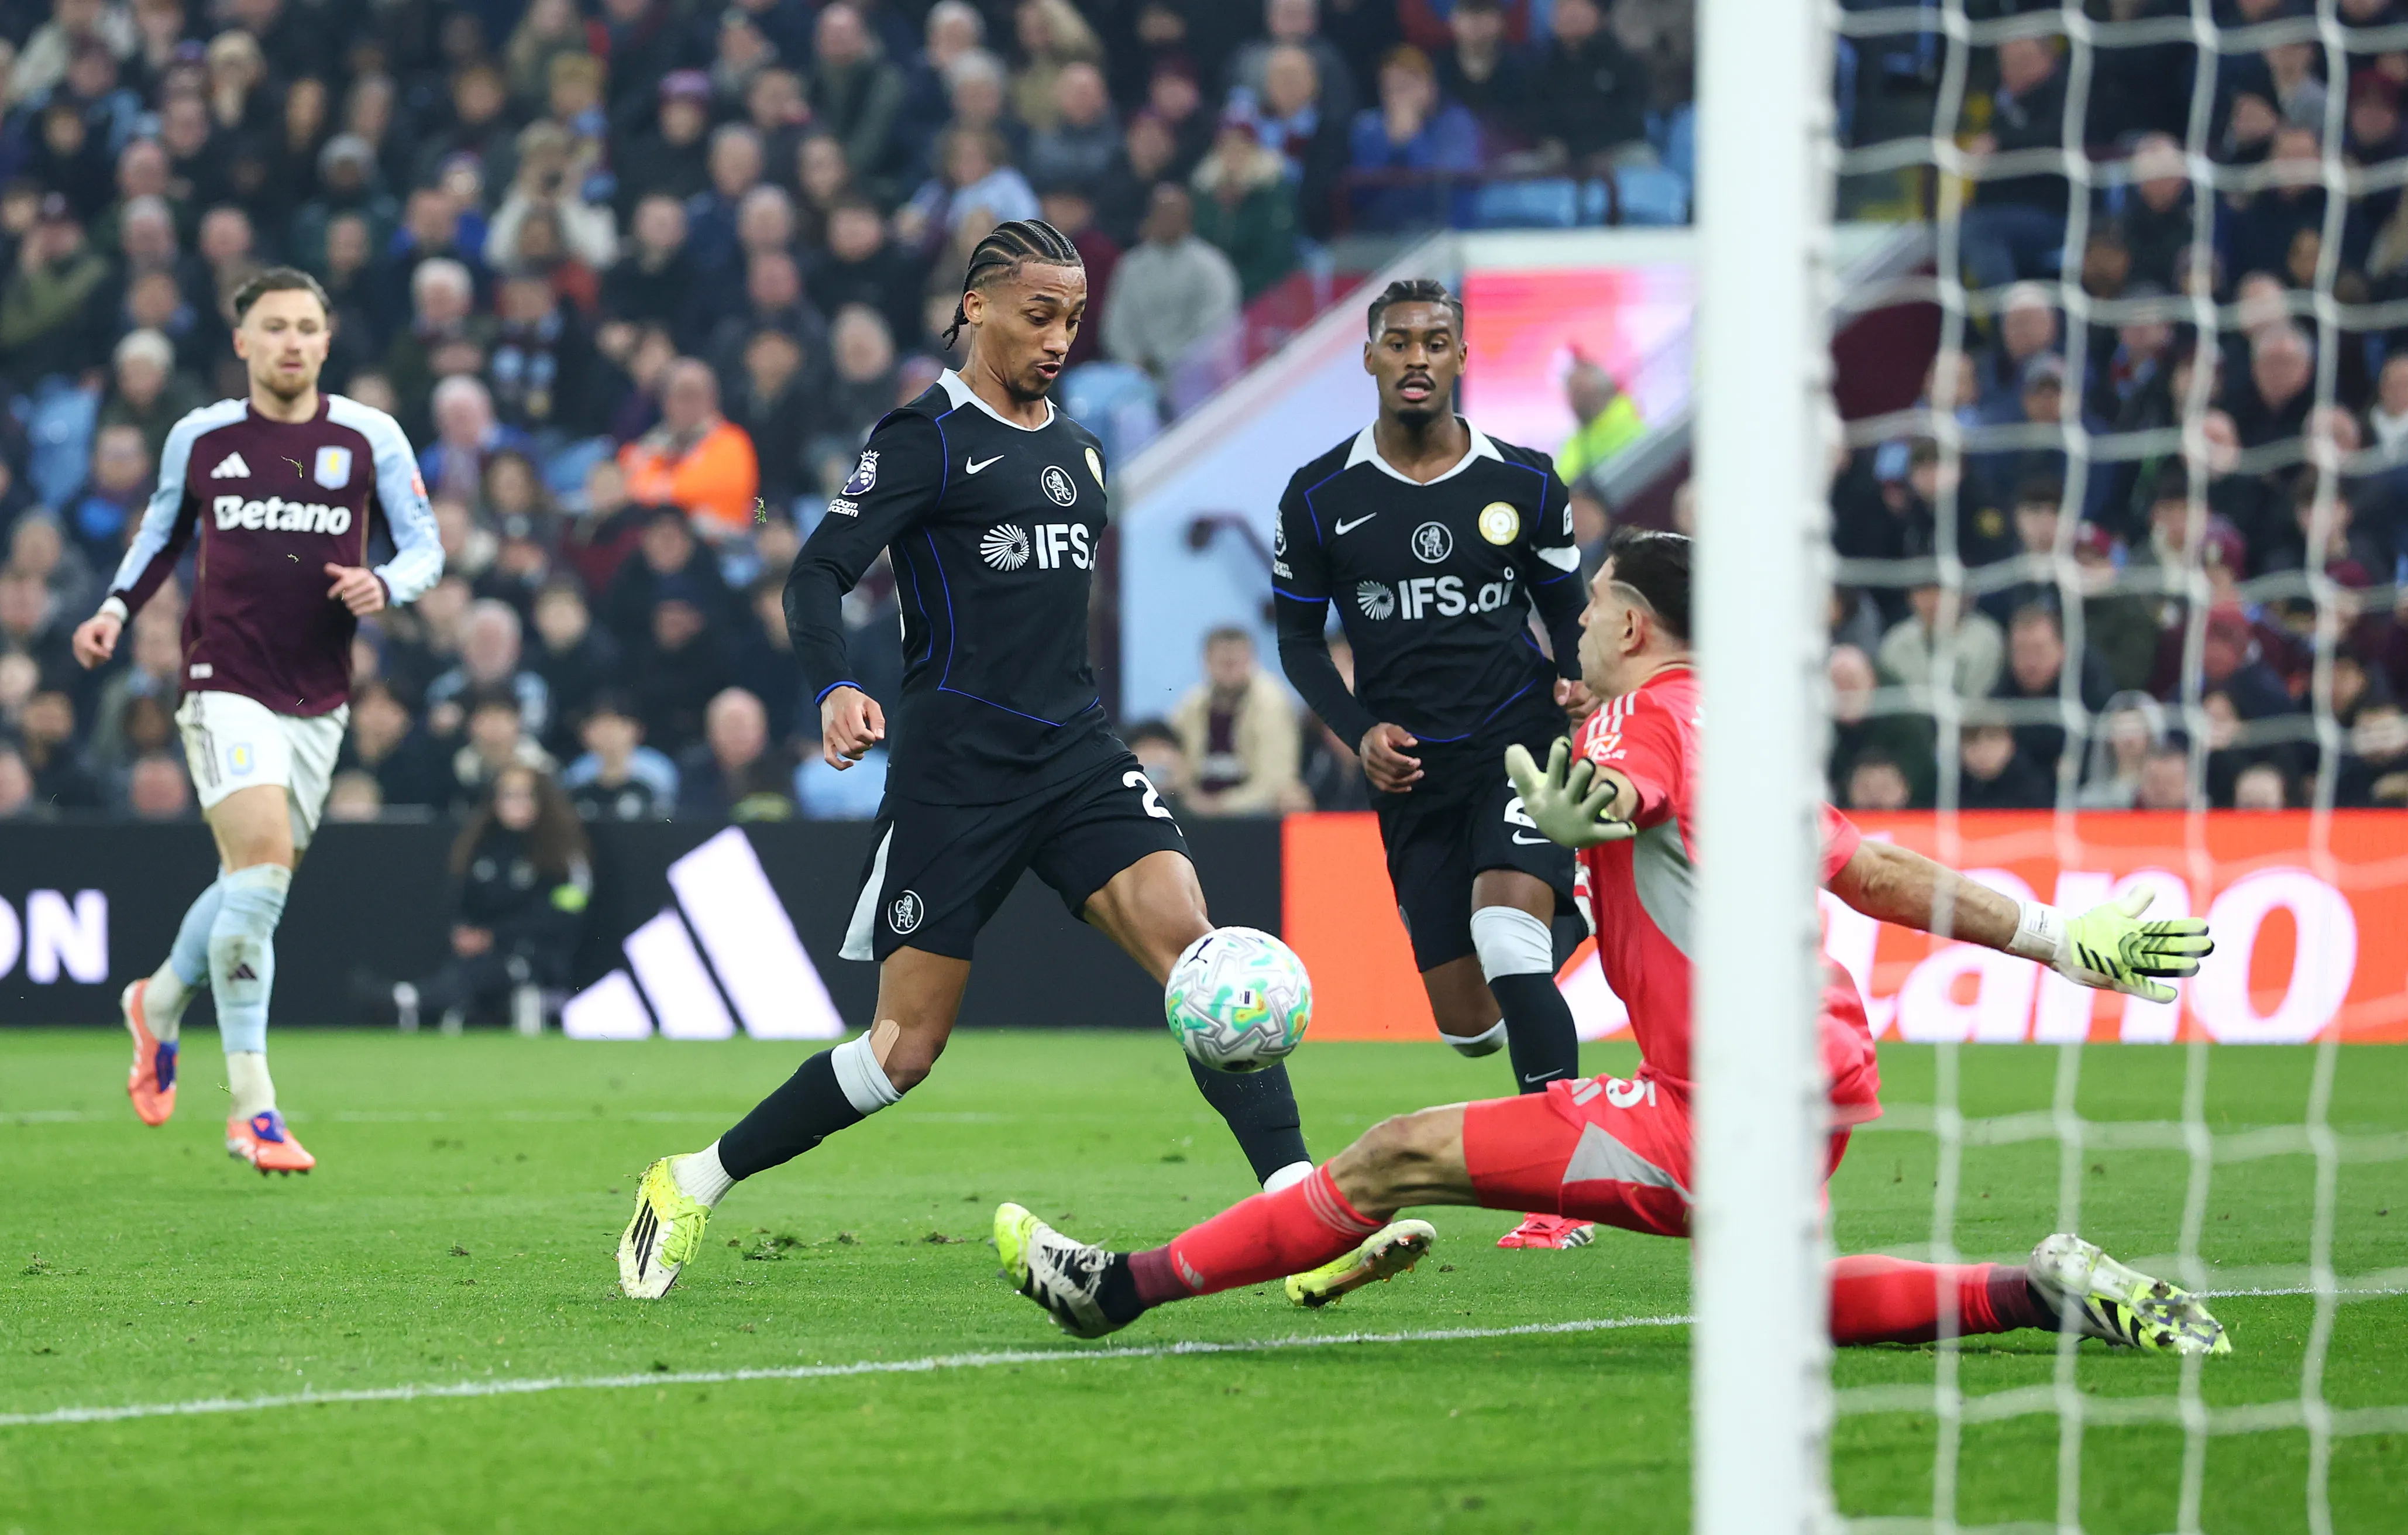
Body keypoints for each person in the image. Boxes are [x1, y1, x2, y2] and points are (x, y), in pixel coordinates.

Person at [995, 528, 2231, 1366]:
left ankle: (1121, 1289)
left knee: (1392, 1155)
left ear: (1633, 625)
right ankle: (2039, 1287)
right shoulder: (1743, 725)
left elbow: (1633, 787)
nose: (1577, 622)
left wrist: (1609, 805)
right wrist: (2067, 939)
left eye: (1590, 605)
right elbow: (1873, 871)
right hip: (1823, 1073)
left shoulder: (1643, 716)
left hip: (1720, 1100)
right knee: (1778, 1301)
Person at [616, 219, 1316, 1300]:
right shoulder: (923, 437)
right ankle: (691, 1180)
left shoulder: (1081, 449)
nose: (1059, 338)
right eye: (1040, 315)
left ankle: (1299, 1209)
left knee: (1203, 968)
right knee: (901, 1052)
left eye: (1074, 319)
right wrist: (835, 685)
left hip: (1077, 756)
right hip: (957, 774)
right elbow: (815, 575)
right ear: (976, 305)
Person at [70, 266, 441, 1174]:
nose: (290, 342)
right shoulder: (202, 437)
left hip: (319, 692)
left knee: (253, 883)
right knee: (264, 868)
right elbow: (160, 533)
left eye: (306, 327)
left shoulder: (369, 435)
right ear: (242, 341)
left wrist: (385, 582)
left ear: (326, 339)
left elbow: (427, 543)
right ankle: (253, 1108)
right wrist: (116, 609)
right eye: (273, 326)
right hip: (223, 678)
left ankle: (156, 1001)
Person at [1271, 277, 1595, 1249]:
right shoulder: (1321, 495)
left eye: (1437, 341)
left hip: (1518, 746)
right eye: (1399, 342)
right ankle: (1574, 909)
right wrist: (1357, 727)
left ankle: (1565, 1194)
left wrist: (1577, 678)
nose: (1418, 357)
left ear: (1461, 358)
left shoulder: (1527, 482)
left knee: (1506, 940)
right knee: (1468, 1023)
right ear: (1368, 358)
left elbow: (1570, 611)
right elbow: (1295, 642)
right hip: (1412, 776)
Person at [391, 765, 591, 1035]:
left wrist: (494, 936)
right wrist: (465, 932)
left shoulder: (563, 855)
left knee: (484, 970)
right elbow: (461, 904)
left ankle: (409, 999)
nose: (516, 804)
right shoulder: (479, 848)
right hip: (483, 952)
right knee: (469, 965)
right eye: (508, 796)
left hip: (539, 957)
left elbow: (565, 916)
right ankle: (413, 1000)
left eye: (525, 796)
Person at [1169, 626, 1302, 815]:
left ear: (1253, 661)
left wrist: (1220, 806)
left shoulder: (1272, 704)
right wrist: (1189, 797)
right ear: (1206, 662)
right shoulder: (1191, 705)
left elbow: (1276, 782)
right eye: (1223, 663)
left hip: (1256, 816)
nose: (1229, 671)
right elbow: (1178, 768)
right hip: (1198, 812)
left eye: (1236, 662)